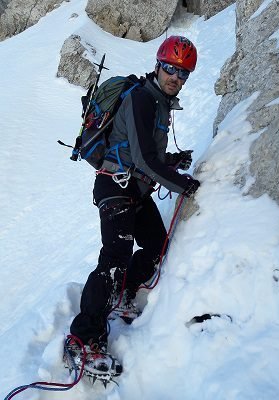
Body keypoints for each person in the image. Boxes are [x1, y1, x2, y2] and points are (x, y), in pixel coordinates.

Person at [66, 35, 201, 379]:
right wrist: (184, 186)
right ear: (158, 65)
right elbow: (141, 157)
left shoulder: (157, 102)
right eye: (170, 68)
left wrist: (172, 161)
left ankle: (125, 293)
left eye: (182, 73)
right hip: (115, 187)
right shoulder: (142, 98)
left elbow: (139, 150)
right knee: (115, 257)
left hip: (134, 190)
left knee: (157, 245)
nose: (175, 77)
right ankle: (83, 338)